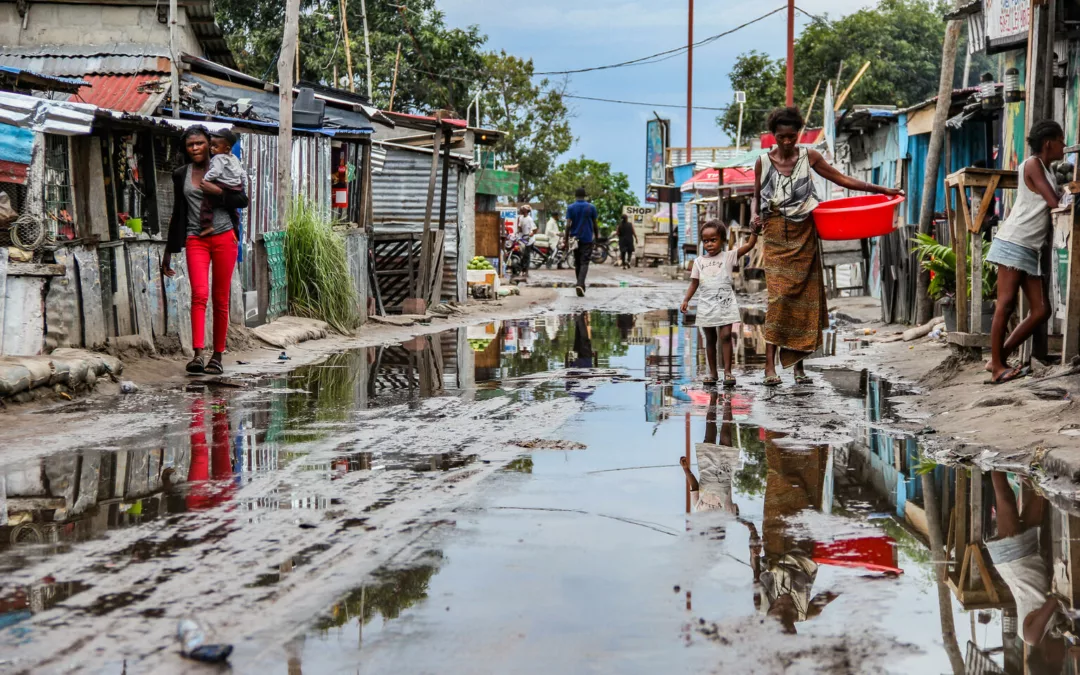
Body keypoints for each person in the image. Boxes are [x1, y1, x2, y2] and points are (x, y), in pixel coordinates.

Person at [752, 107, 901, 387]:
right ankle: (769, 365)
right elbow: (756, 195)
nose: (787, 141)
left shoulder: (810, 156)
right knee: (779, 299)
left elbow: (841, 179)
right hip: (774, 235)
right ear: (774, 136)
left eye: (792, 136)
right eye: (782, 137)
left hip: (805, 232)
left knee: (805, 301)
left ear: (797, 135)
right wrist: (753, 215)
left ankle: (798, 366)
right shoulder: (762, 161)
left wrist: (881, 190)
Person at [161, 126, 249, 376]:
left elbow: (242, 199)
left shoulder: (223, 166)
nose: (196, 148)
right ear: (186, 150)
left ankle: (217, 356)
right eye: (191, 145)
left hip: (223, 237)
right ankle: (198, 355)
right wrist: (169, 251)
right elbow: (178, 211)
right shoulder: (181, 174)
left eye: (200, 143)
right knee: (199, 294)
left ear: (209, 144)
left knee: (220, 299)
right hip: (195, 238)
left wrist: (218, 191)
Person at [985, 120, 1064, 384]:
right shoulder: (1032, 164)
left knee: (1041, 310)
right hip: (1015, 242)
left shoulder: (1046, 168)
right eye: (1061, 141)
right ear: (1049, 143)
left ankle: (999, 357)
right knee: (1005, 305)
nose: (1064, 146)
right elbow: (1053, 201)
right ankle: (997, 368)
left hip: (1029, 248)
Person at [680, 220, 759, 387]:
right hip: (706, 305)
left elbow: (749, 246)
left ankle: (728, 372)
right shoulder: (699, 262)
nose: (709, 244)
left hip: (725, 303)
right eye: (706, 240)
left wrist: (754, 231)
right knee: (710, 339)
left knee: (725, 336)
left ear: (722, 239)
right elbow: (694, 283)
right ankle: (713, 372)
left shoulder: (729, 256)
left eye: (713, 240)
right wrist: (686, 299)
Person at [197, 130, 246, 238]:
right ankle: (237, 231)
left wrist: (206, 180)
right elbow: (242, 173)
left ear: (226, 149)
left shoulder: (218, 158)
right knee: (233, 212)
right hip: (235, 185)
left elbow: (216, 172)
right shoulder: (234, 158)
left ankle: (206, 225)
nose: (211, 148)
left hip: (224, 185)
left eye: (215, 146)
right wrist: (240, 183)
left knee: (206, 202)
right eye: (211, 145)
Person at [563, 187, 599, 297]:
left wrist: (566, 239)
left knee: (577, 262)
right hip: (587, 239)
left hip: (575, 239)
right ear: (585, 196)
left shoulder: (571, 207)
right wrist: (596, 237)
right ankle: (580, 283)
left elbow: (568, 225)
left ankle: (580, 285)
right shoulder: (591, 207)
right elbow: (595, 224)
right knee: (584, 262)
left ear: (575, 196)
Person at [516, 205, 536, 279]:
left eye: (523, 209)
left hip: (529, 240)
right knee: (521, 254)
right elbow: (519, 227)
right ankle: (522, 270)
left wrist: (530, 234)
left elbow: (533, 229)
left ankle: (526, 271)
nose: (521, 209)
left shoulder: (529, 219)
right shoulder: (521, 218)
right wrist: (517, 232)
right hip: (523, 238)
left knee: (526, 256)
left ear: (526, 211)